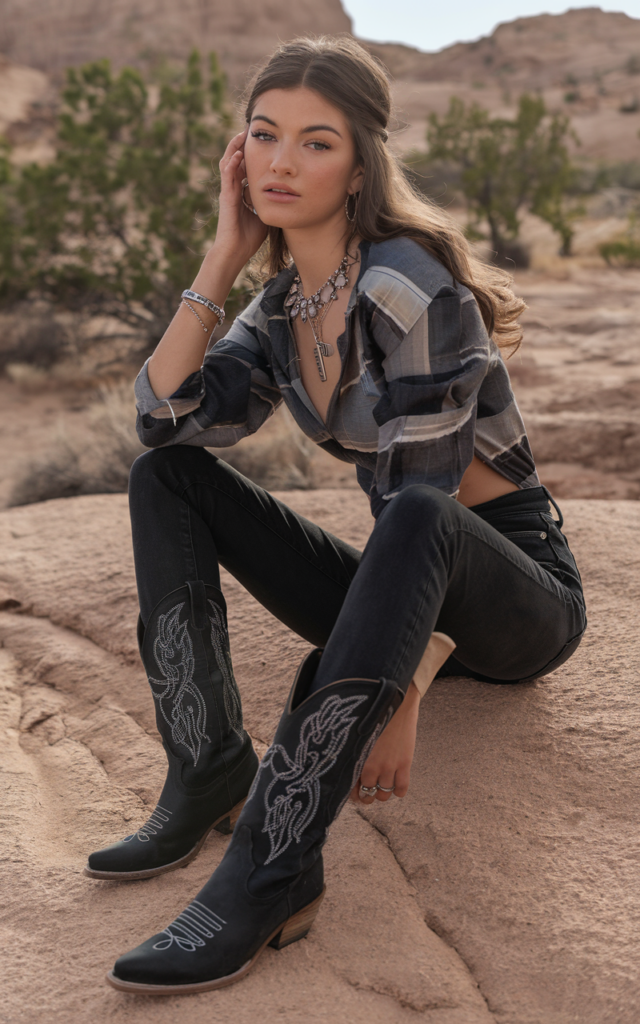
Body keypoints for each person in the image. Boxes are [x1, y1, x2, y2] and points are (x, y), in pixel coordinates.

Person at [90, 36, 586, 994]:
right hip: (403, 575)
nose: (281, 161)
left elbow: (425, 499)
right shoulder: (280, 306)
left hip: (512, 593)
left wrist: (403, 684)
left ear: (361, 164)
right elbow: (163, 416)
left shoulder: (408, 279)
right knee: (167, 478)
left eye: (315, 143)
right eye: (264, 135)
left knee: (409, 518)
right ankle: (208, 766)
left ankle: (270, 870)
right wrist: (225, 250)